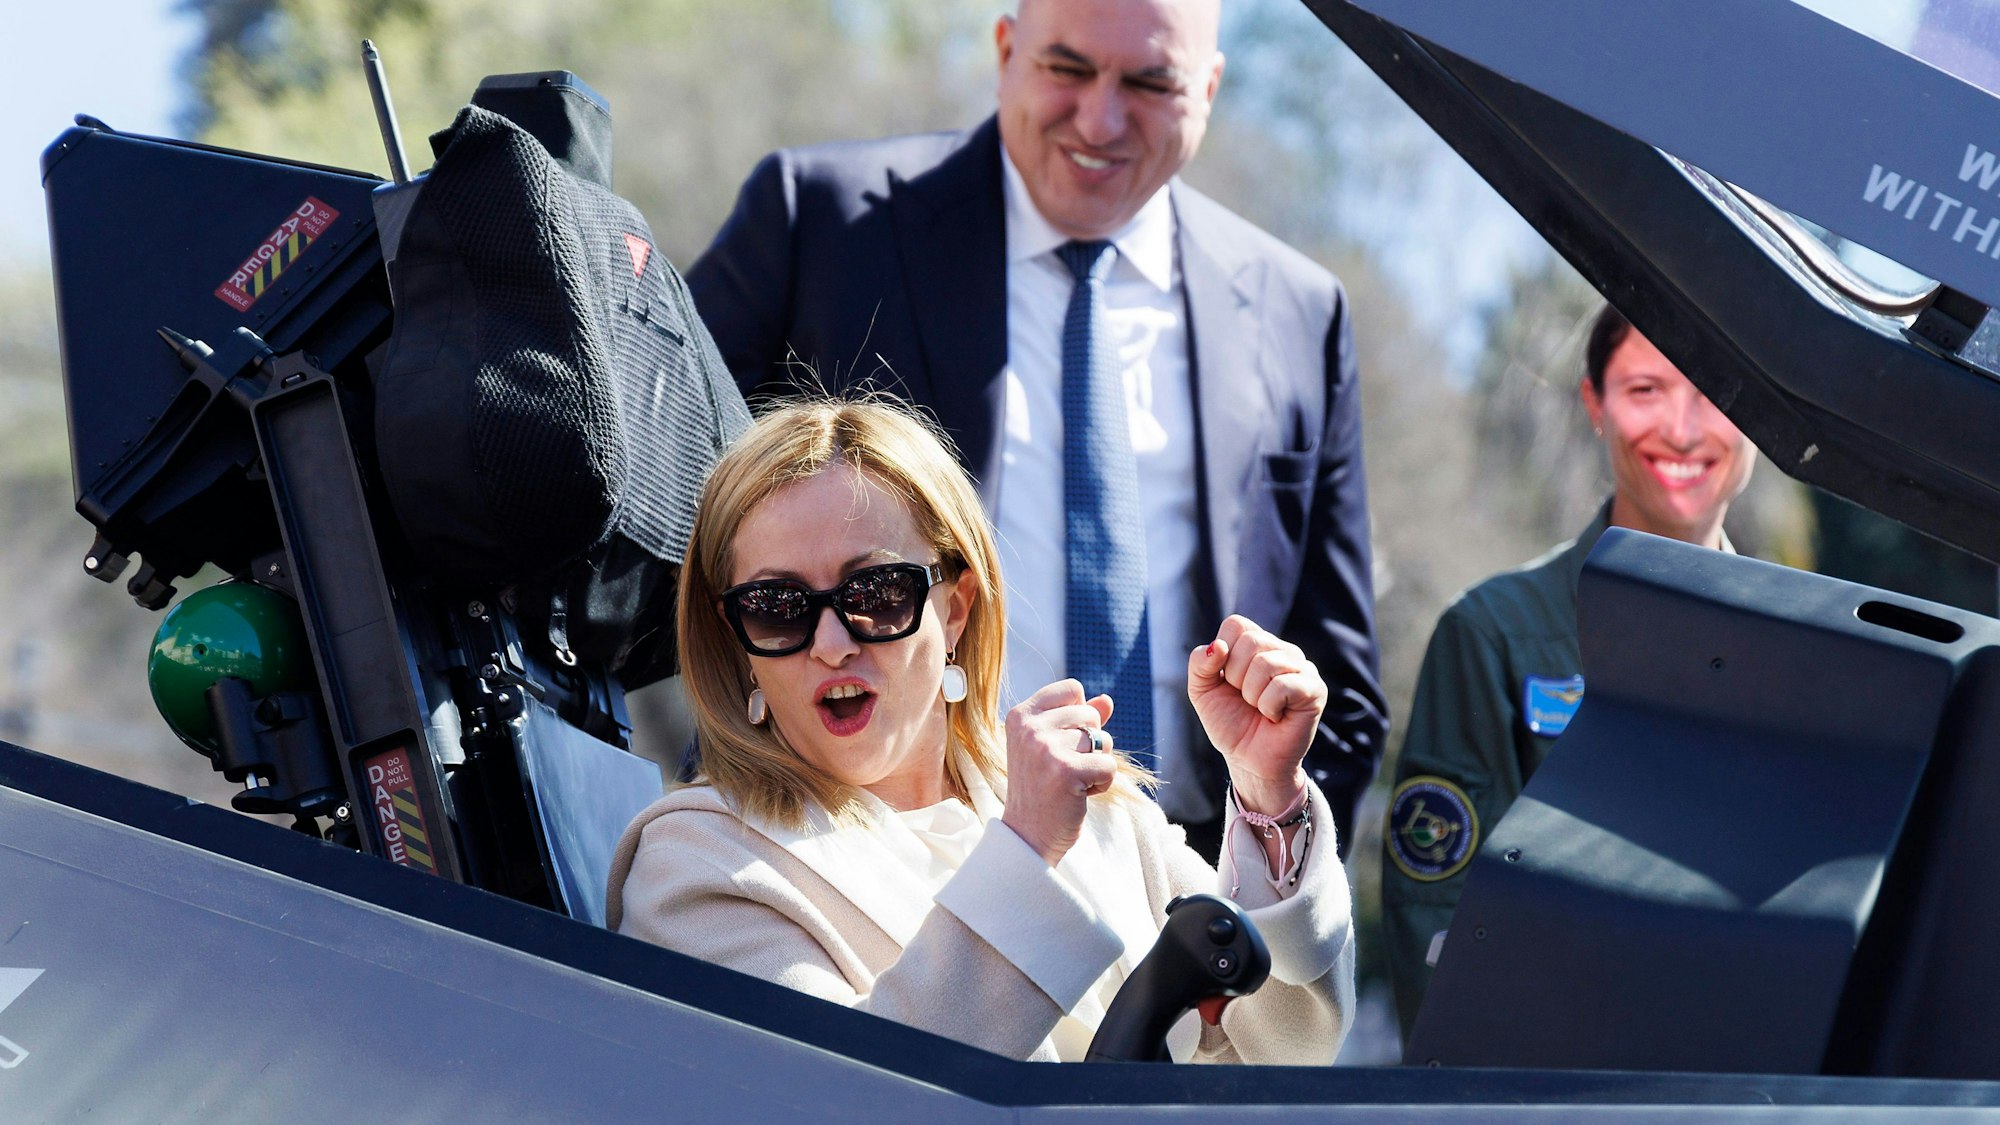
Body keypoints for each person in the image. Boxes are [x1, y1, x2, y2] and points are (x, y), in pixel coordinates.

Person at [685, 0, 1385, 859]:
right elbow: (668, 533)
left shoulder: (1297, 311)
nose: (1101, 117)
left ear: (1206, 87)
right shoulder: (824, 226)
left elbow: (1337, 687)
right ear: (1006, 50)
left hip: (1187, 897)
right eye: (1068, 68)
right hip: (865, 865)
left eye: (1150, 81)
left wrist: (1254, 893)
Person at [606, 399, 1355, 1063]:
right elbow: (840, 1100)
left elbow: (1290, 1047)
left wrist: (1267, 798)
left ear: (956, 608)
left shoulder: (1095, 811)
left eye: (876, 592)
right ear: (738, 638)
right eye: (777, 606)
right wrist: (1025, 848)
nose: (832, 642)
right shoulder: (694, 866)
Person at [1379, 306, 1756, 1041]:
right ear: (1595, 405)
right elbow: (1437, 923)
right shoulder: (1493, 636)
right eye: (1645, 390)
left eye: (1714, 393)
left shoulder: (1815, 657)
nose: (1682, 429)